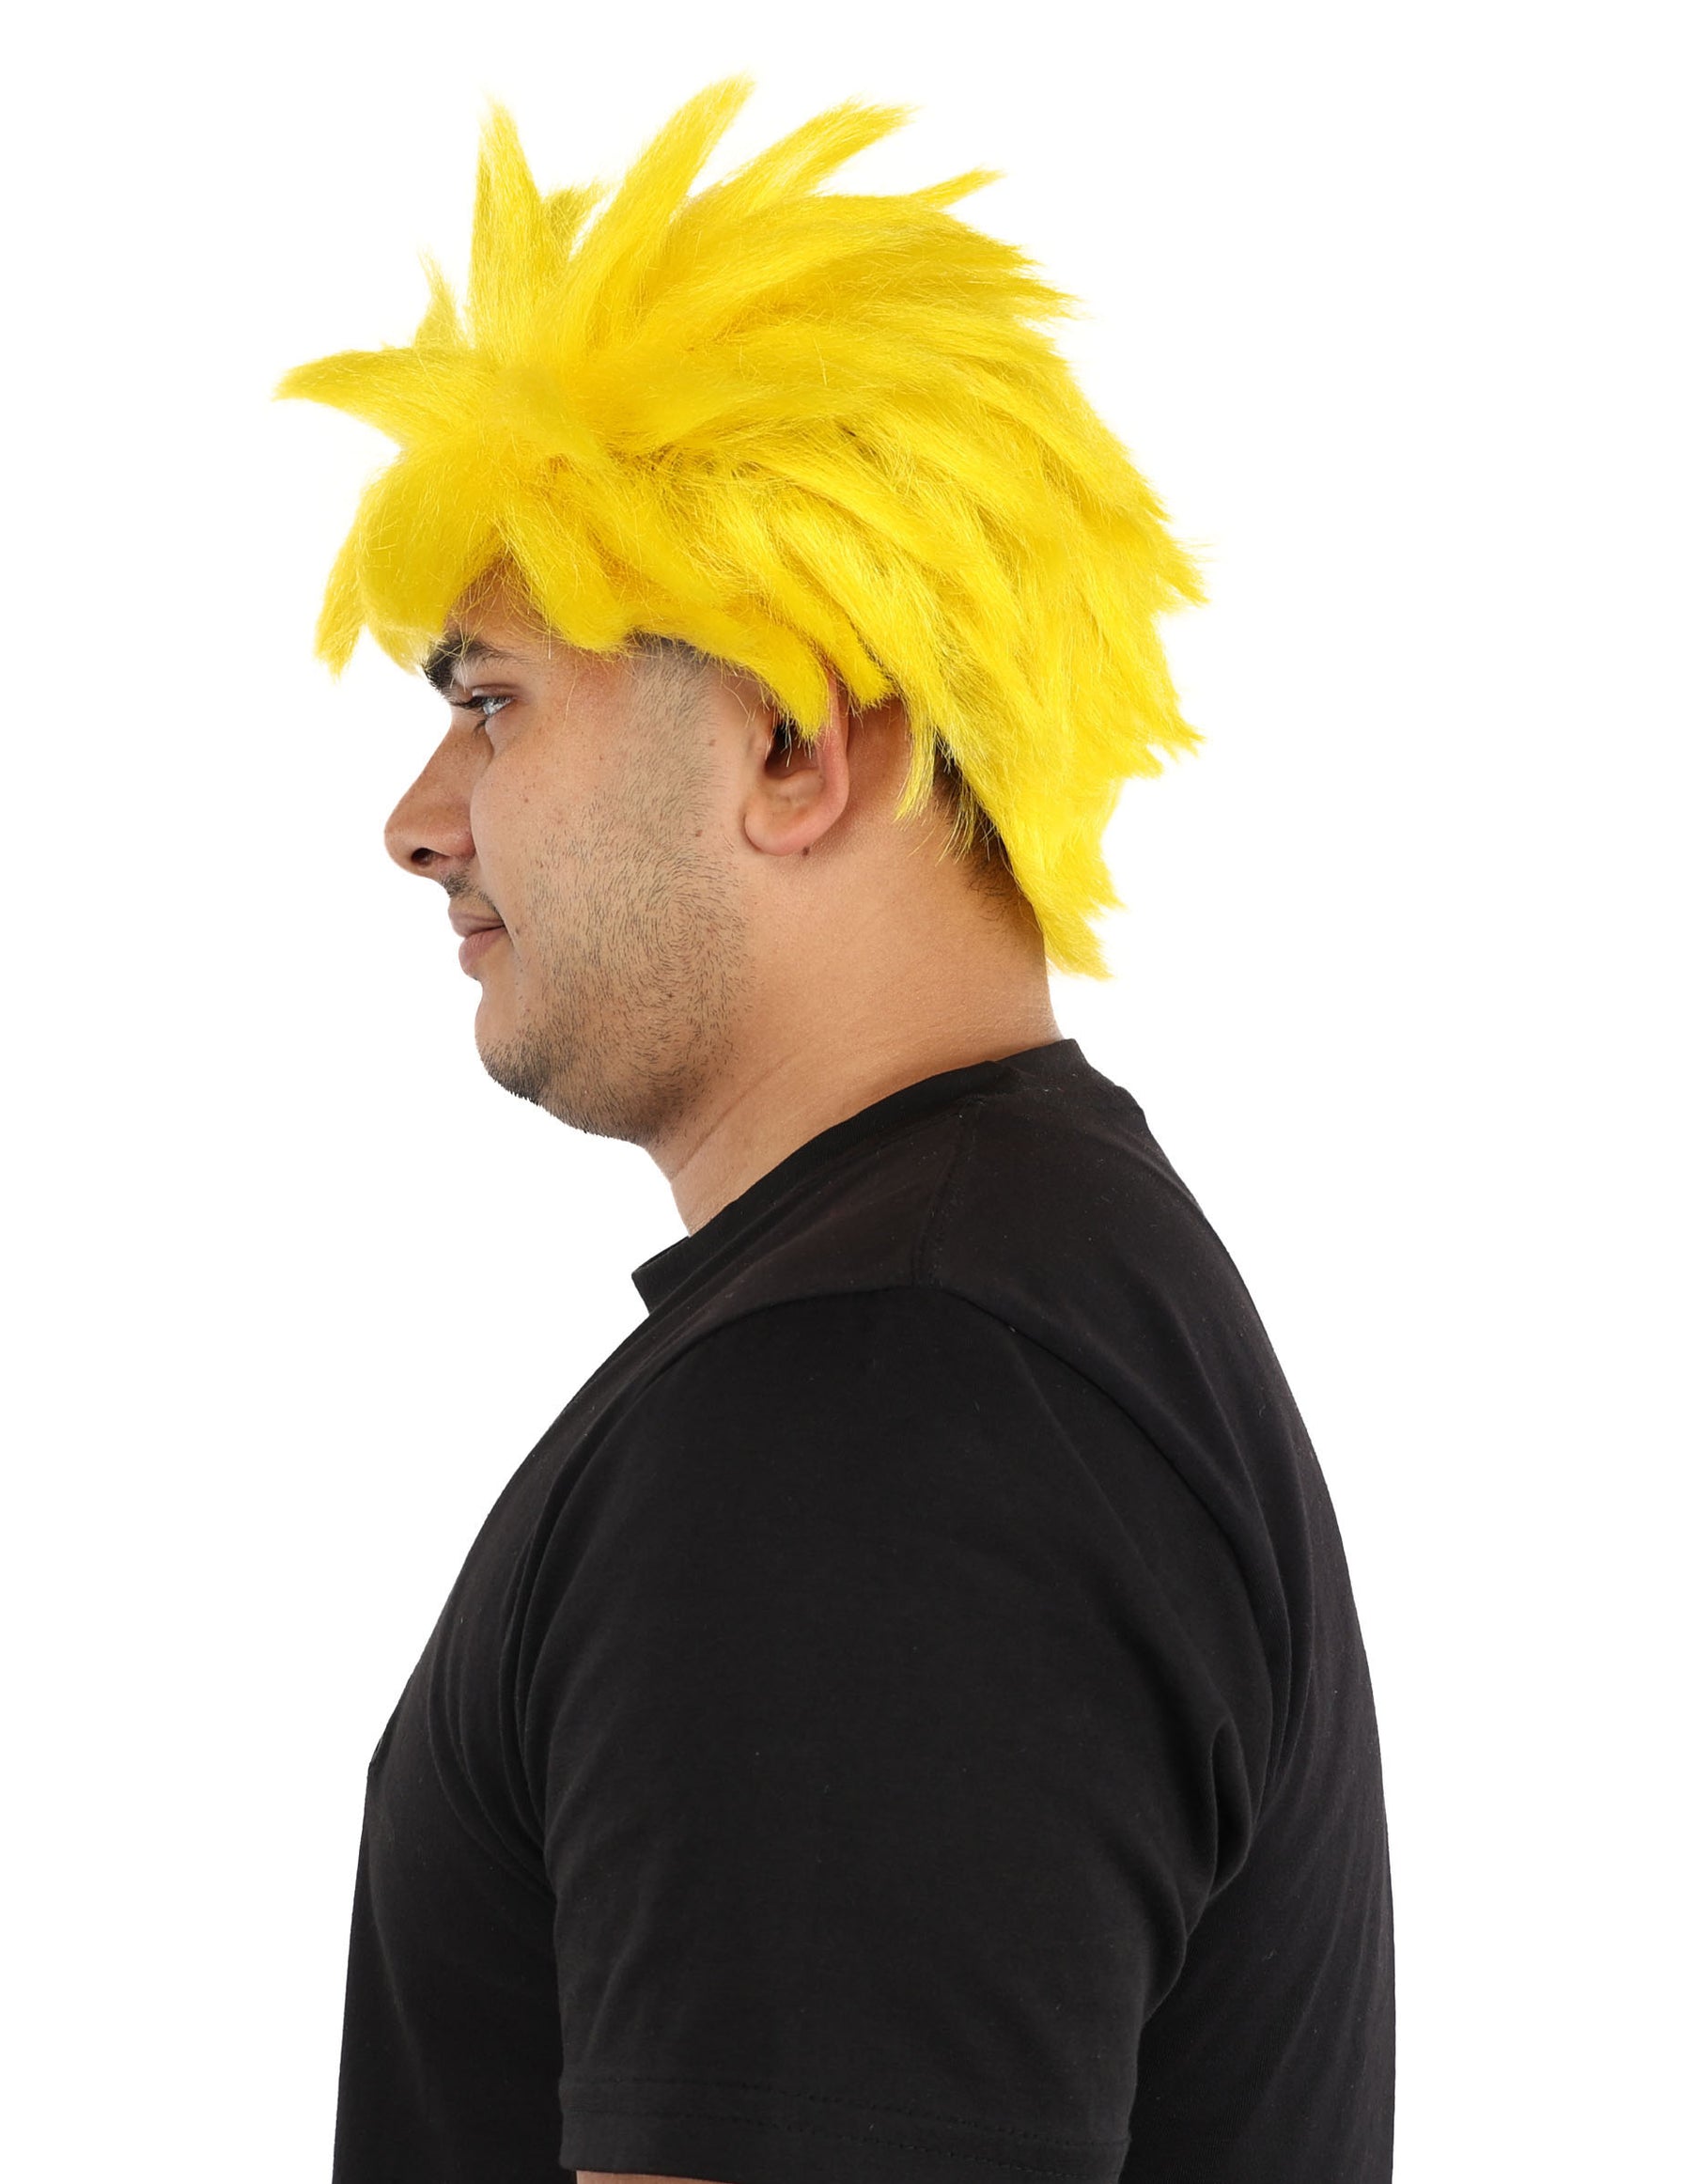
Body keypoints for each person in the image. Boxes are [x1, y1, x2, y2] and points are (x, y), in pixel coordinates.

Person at [278, 77, 1394, 2184]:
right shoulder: (1010, 1319)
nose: (418, 821)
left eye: (491, 699)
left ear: (794, 743)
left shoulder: (880, 1419)